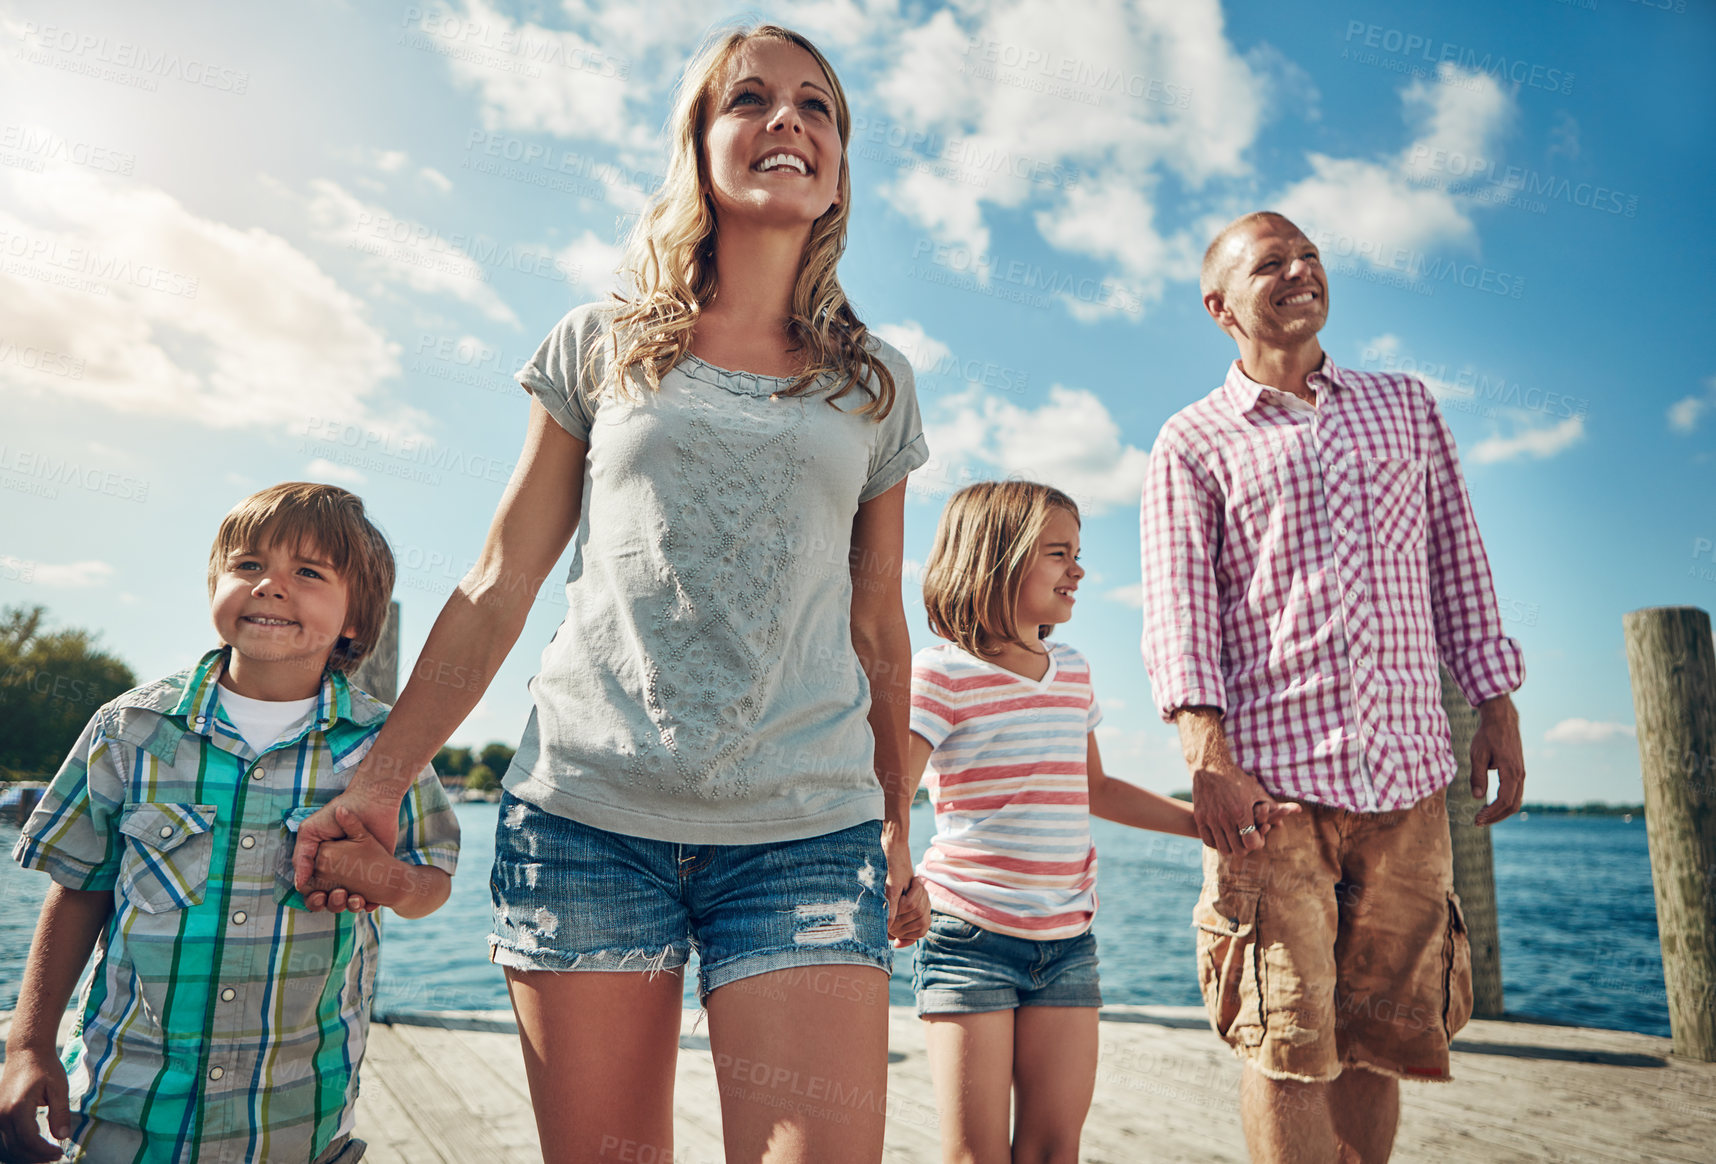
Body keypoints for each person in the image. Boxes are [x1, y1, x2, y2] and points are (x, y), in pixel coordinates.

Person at [287, 24, 930, 1164]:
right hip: (587, 824)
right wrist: (387, 774)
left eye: (816, 107)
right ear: (701, 141)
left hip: (808, 836)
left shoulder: (874, 386)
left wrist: (893, 823)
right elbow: (501, 580)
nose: (787, 120)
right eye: (751, 99)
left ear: (838, 164)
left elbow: (877, 624)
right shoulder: (602, 346)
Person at [1138, 211, 1528, 1164]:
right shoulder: (1191, 441)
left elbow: (1457, 565)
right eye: (1271, 262)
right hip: (1271, 796)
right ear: (1219, 305)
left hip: (1408, 782)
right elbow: (1181, 616)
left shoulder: (1407, 406)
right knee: (1285, 1039)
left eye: (1309, 254)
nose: (1301, 269)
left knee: (1381, 1041)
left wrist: (1497, 708)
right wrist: (1208, 761)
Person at [0, 482, 459, 1164]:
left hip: (296, 1113)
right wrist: (28, 1045)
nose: (271, 585)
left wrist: (389, 879)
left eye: (308, 573)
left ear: (356, 620)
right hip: (125, 1107)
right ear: (215, 584)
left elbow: (432, 884)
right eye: (248, 565)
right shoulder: (129, 731)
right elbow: (78, 888)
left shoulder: (386, 749)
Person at [906, 481, 1199, 1164]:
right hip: (967, 936)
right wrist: (895, 871)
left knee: (1051, 1150)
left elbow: (1095, 787)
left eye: (1078, 553)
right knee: (976, 1156)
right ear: (996, 561)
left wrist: (1202, 827)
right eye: (1059, 554)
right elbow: (890, 786)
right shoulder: (940, 674)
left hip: (1068, 942)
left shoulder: (1072, 670)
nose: (1080, 570)